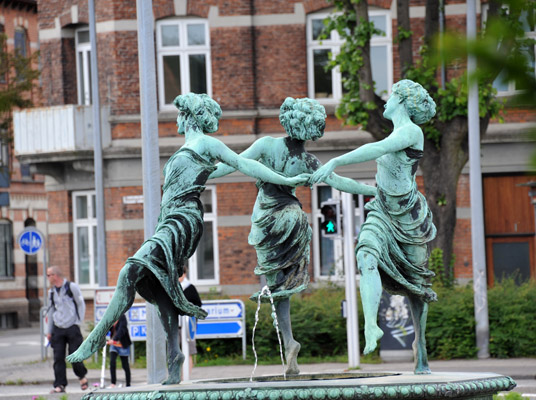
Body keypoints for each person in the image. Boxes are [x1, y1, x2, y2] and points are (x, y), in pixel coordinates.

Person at [67, 93, 308, 384]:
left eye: (180, 114)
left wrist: (286, 181)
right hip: (167, 220)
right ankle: (174, 356)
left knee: (130, 271)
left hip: (184, 220)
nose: (176, 120)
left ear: (190, 117)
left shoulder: (206, 142)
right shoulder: (189, 149)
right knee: (159, 285)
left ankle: (93, 340)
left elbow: (247, 166)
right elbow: (221, 170)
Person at [209, 97, 376, 374]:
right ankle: (288, 344)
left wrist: (204, 175)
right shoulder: (309, 161)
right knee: (283, 285)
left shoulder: (266, 145)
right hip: (293, 219)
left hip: (267, 218)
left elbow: (234, 163)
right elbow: (341, 183)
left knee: (275, 285)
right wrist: (374, 191)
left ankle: (288, 340)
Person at [310, 80, 437, 374]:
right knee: (365, 256)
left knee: (418, 288)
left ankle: (421, 347)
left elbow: (377, 147)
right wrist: (331, 179)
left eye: (391, 95)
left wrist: (336, 161)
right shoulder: (397, 134)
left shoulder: (411, 132)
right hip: (382, 210)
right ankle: (371, 326)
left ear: (402, 101)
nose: (386, 100)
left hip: (410, 216)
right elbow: (374, 188)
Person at [45, 266, 89, 393]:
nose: (48, 278)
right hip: (58, 328)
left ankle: (82, 377)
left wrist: (78, 321)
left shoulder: (71, 287)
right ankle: (60, 384)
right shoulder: (51, 292)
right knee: (58, 357)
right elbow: (51, 310)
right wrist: (49, 331)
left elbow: (81, 304)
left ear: (55, 275)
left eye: (49, 275)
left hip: (72, 326)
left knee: (74, 355)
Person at [180, 266, 201, 372]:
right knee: (176, 352)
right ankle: (178, 375)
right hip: (176, 325)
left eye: (180, 274)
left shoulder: (190, 288)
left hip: (188, 325)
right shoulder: (173, 288)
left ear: (185, 274)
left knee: (188, 351)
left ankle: (186, 376)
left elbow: (198, 305)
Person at [107, 314, 131, 388]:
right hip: (114, 345)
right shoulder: (112, 318)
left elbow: (122, 329)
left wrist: (114, 339)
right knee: (112, 362)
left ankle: (128, 384)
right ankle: (113, 383)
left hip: (122, 345)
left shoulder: (122, 317)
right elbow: (107, 328)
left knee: (125, 365)